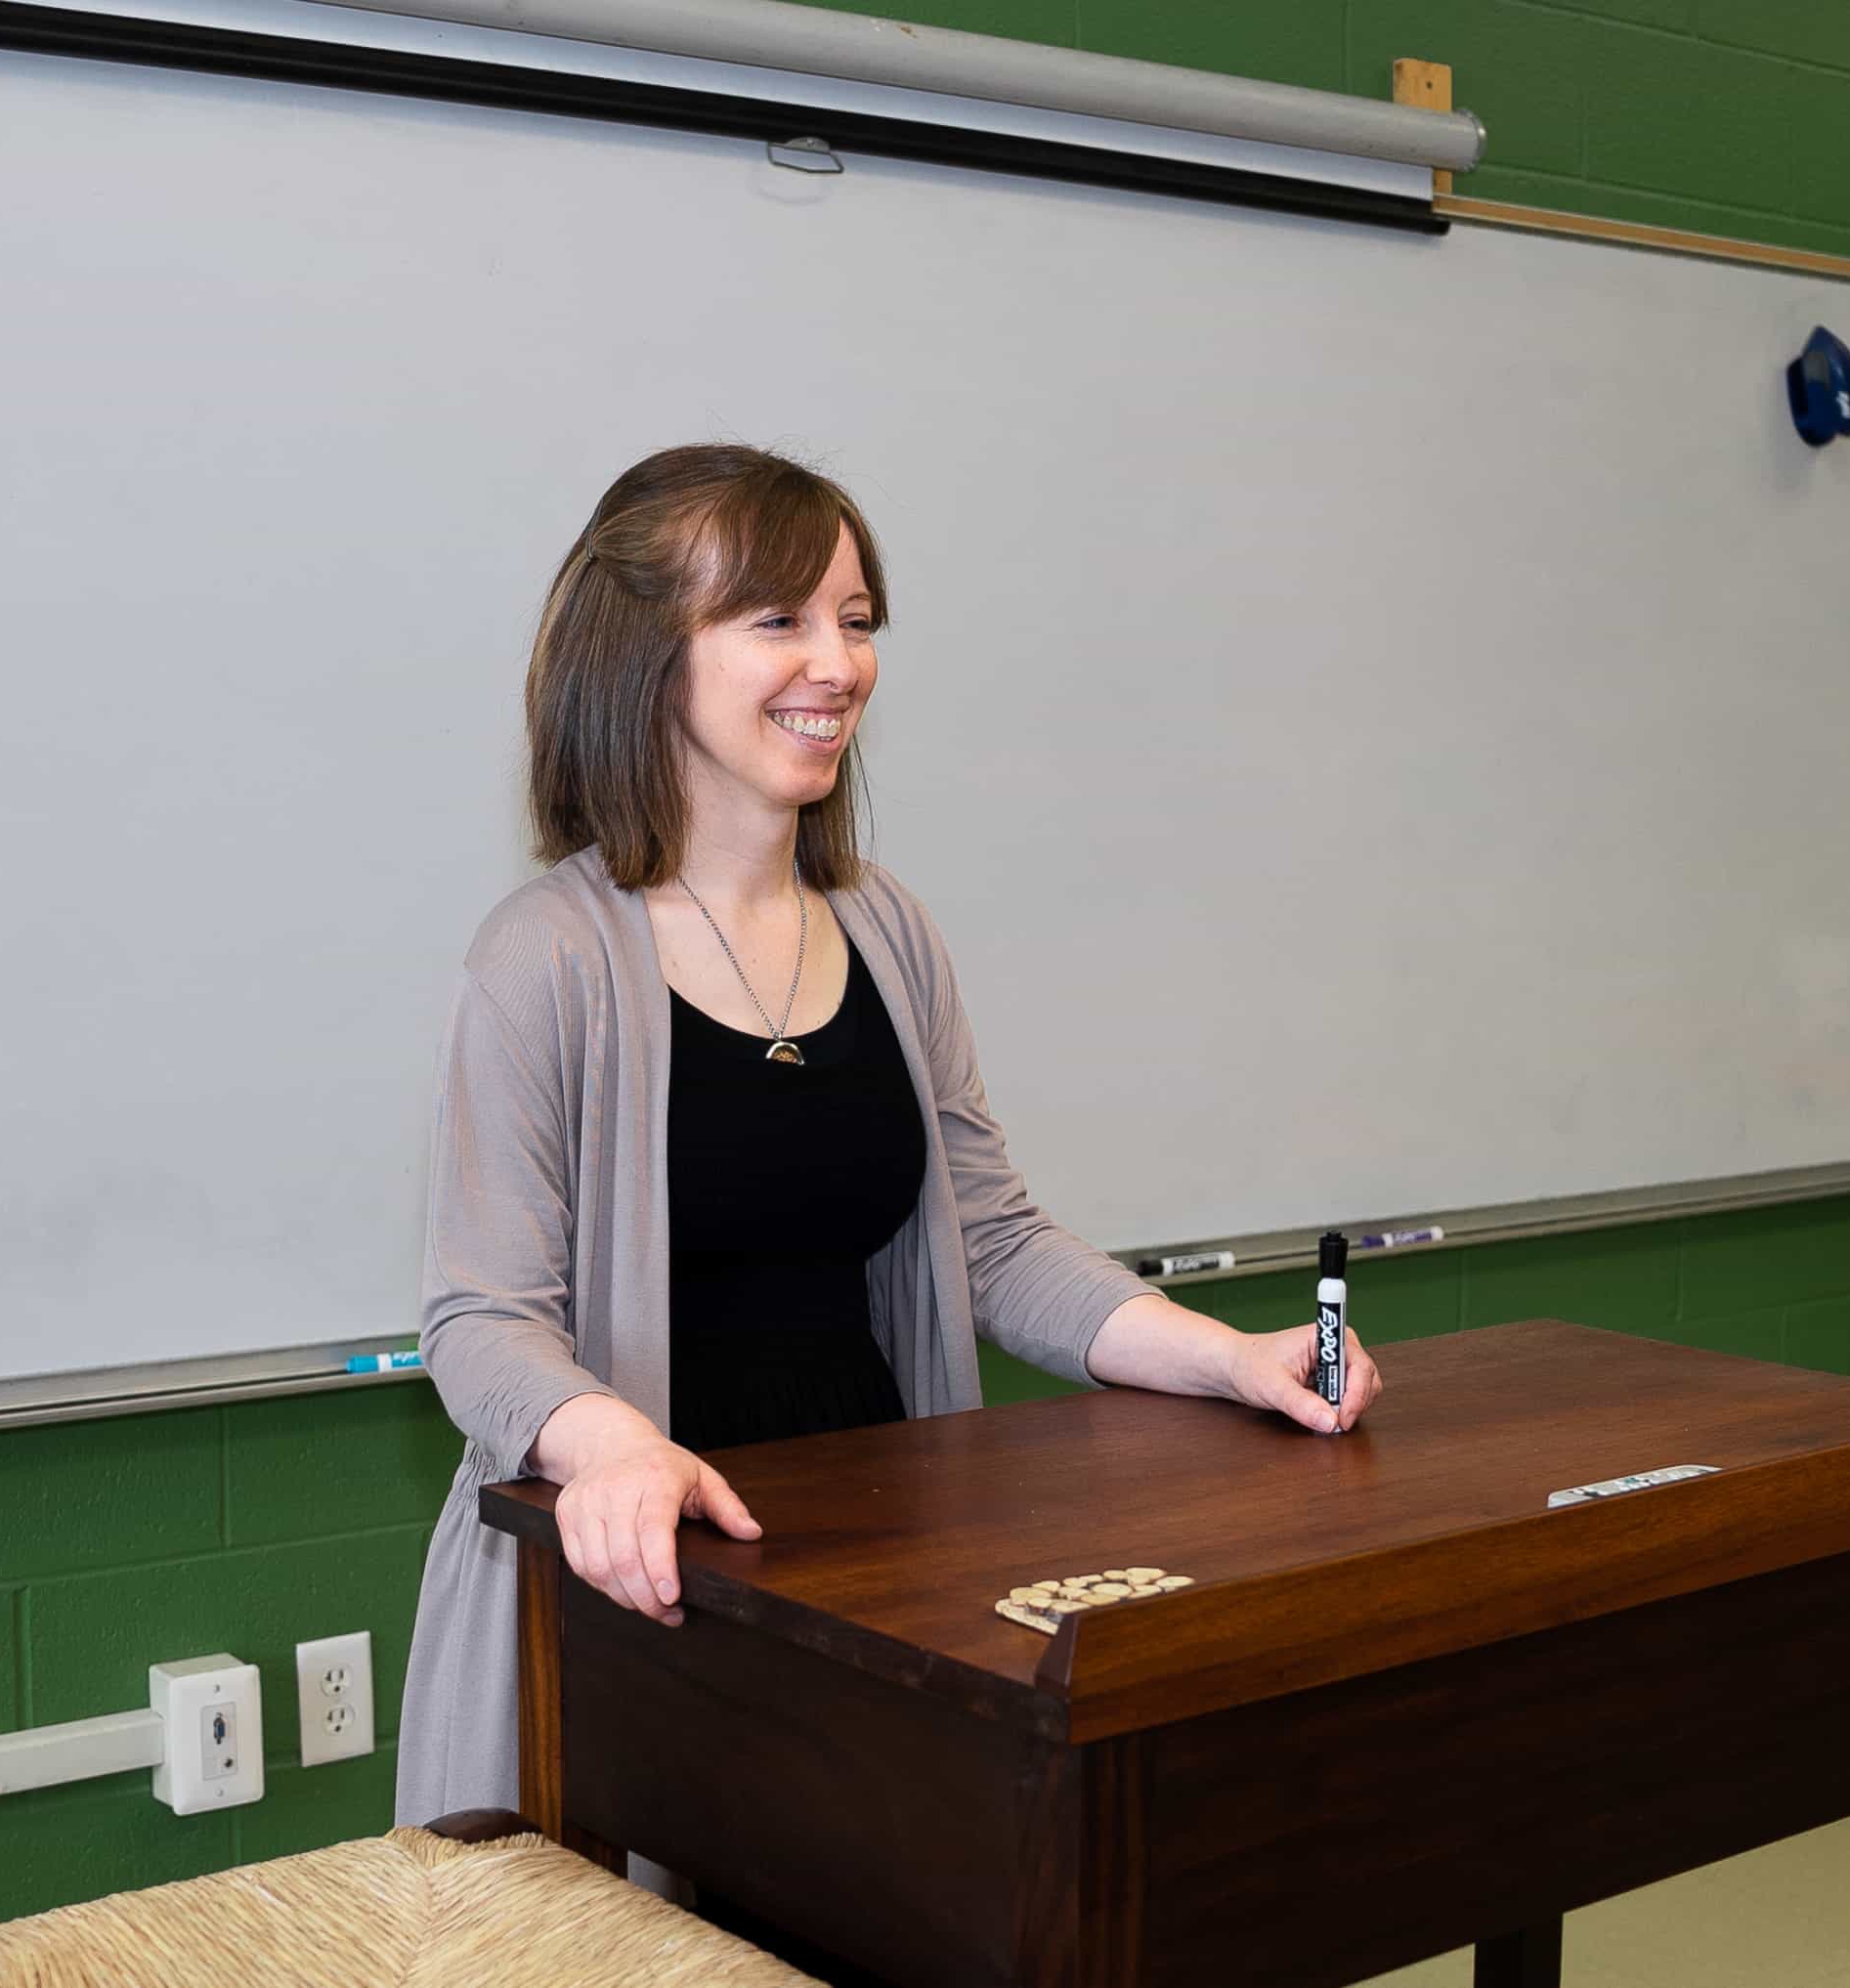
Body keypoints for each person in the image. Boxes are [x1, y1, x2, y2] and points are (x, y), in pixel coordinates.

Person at [393, 443, 1384, 1829]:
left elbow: (993, 1240)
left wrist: (1227, 1358)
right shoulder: (543, 955)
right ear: (646, 655)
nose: (837, 662)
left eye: (857, 621)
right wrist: (608, 1444)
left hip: (869, 1574)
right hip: (640, 1580)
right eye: (778, 618)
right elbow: (480, 1319)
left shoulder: (889, 928)